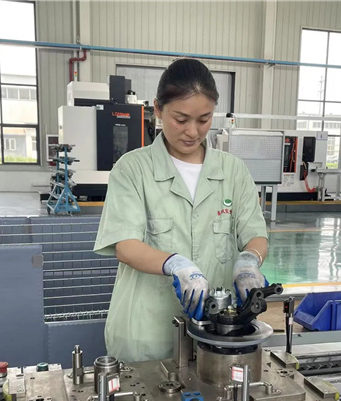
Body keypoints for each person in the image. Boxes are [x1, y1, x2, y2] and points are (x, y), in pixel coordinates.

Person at [94, 58, 268, 363]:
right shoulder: (132, 169)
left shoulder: (233, 171)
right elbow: (126, 246)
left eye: (204, 119)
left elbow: (255, 234)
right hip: (147, 332)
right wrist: (176, 264)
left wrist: (249, 261)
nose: (192, 131)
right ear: (158, 110)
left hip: (216, 336)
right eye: (181, 119)